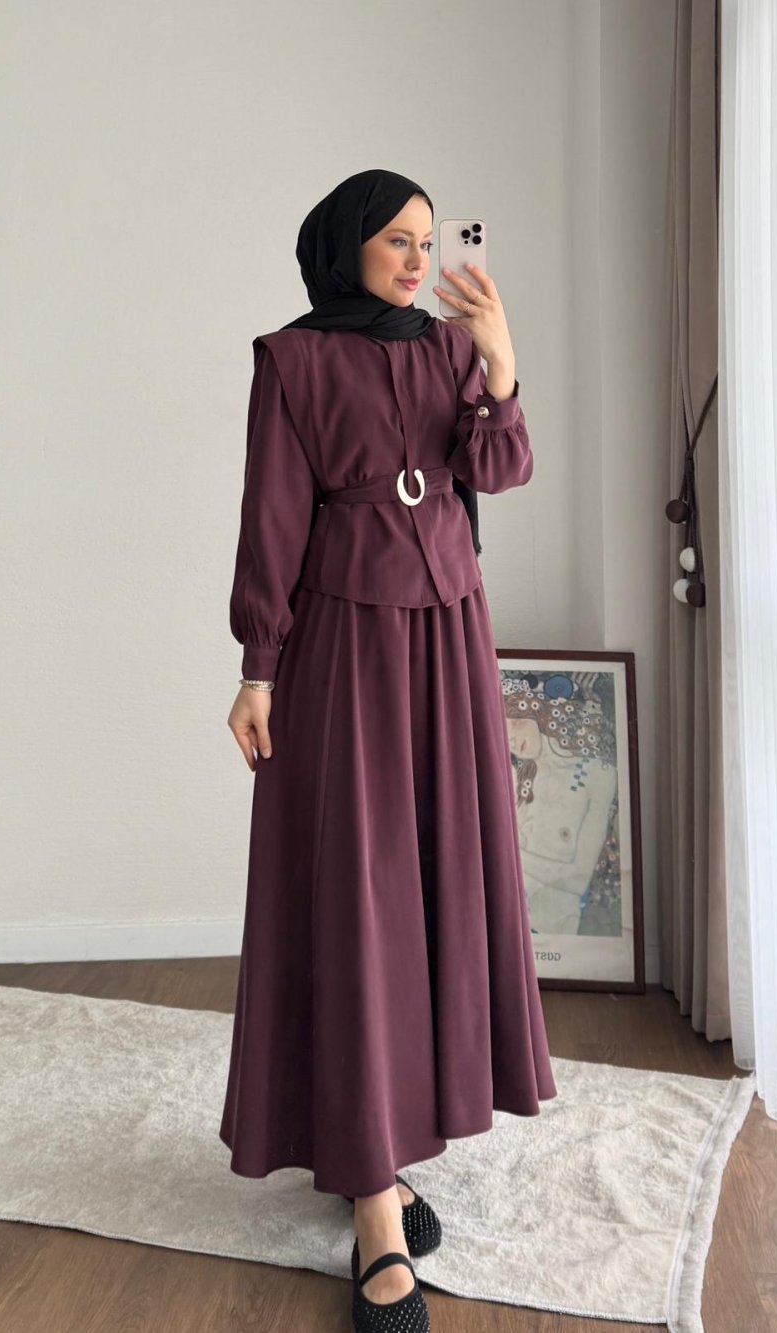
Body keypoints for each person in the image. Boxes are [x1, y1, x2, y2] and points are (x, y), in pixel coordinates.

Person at [221, 169, 558, 1332]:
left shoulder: (452, 349)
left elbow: (497, 470)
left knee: (433, 893)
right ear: (346, 246)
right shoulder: (292, 360)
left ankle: (387, 1143)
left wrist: (500, 362)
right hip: (345, 647)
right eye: (396, 241)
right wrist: (257, 665)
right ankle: (372, 1202)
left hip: (450, 640)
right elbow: (272, 518)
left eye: (427, 239)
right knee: (358, 902)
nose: (418, 260)